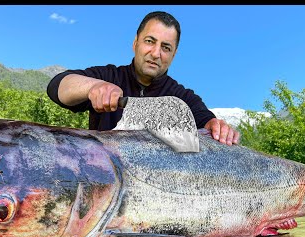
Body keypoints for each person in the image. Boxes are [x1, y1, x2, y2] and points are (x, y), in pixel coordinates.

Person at [47, 10, 240, 146]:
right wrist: (93, 87)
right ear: (135, 43)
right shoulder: (109, 76)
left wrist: (217, 127)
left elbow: (207, 123)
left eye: (166, 48)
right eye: (150, 41)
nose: (156, 53)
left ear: (173, 55)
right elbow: (57, 87)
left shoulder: (183, 98)